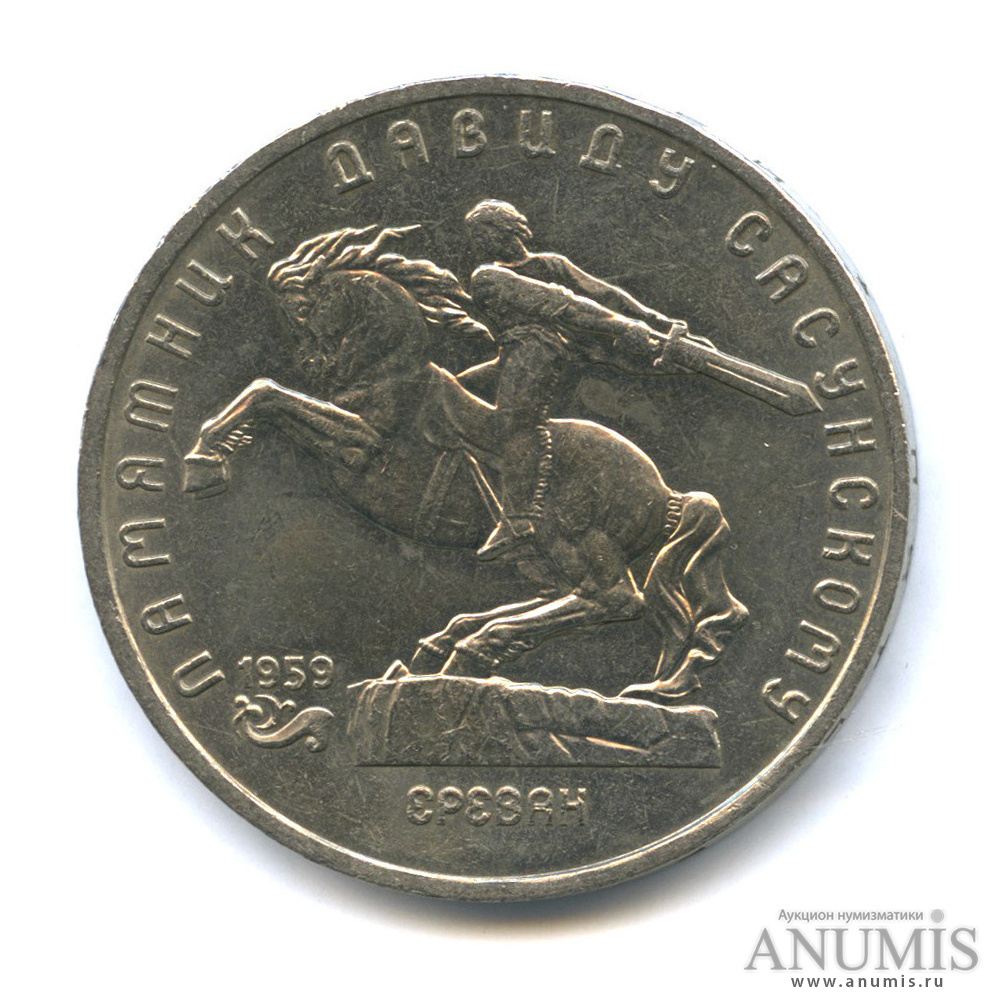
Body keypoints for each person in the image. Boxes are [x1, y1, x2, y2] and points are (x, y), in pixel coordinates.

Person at [462, 199, 712, 559]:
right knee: (455, 389)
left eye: (482, 232)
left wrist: (657, 323)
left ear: (507, 228)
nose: (479, 242)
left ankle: (518, 520)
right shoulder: (488, 277)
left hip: (537, 352)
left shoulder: (549, 265)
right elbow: (565, 304)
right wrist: (625, 327)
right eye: (475, 237)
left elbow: (601, 295)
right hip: (512, 356)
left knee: (517, 421)